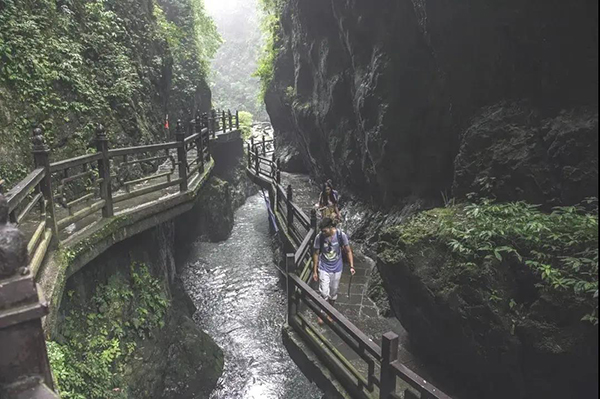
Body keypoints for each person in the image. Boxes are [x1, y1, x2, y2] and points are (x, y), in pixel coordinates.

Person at [312, 217, 355, 324]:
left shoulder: (341, 235)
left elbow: (348, 251)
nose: (323, 233)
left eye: (325, 231)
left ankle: (330, 311)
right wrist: (315, 271)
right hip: (324, 267)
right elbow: (316, 253)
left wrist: (351, 266)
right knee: (324, 292)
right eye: (322, 231)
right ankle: (322, 313)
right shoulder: (320, 237)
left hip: (337, 268)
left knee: (333, 291)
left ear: (331, 228)